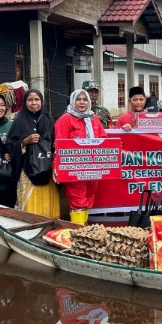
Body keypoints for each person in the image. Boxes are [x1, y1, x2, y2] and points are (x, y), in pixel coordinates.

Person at [54, 89, 108, 225]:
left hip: (93, 167)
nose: (82, 102)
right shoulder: (65, 119)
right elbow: (59, 144)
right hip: (74, 168)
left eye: (85, 99)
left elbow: (103, 138)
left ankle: (83, 231)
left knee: (89, 198)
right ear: (73, 101)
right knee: (77, 200)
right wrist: (57, 166)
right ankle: (78, 233)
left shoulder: (93, 118)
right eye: (78, 99)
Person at [6, 89, 60, 218]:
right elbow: (10, 145)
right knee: (30, 205)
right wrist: (25, 141)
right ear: (25, 103)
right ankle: (30, 229)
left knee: (47, 201)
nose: (33, 103)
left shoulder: (49, 119)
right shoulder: (19, 121)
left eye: (37, 99)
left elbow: (56, 141)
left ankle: (49, 229)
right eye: (30, 100)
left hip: (47, 168)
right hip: (27, 170)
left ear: (41, 101)